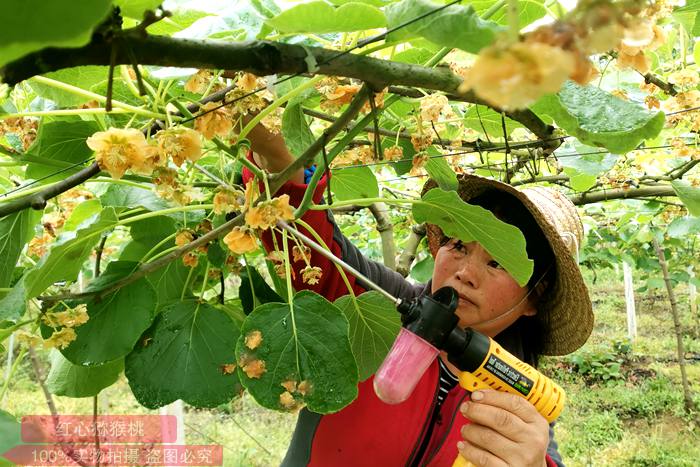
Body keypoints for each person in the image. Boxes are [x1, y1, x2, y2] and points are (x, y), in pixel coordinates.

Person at [241, 122, 594, 467]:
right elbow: (306, 240)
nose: (465, 272)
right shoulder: (377, 302)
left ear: (535, 298)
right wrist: (273, 145)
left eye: (498, 262)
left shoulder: (520, 392)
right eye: (458, 245)